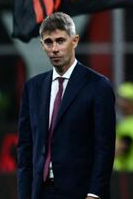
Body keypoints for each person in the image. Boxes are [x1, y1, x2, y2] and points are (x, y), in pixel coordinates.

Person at [16, 12, 116, 199]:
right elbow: (25, 149)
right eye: (48, 42)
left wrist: (95, 193)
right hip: (40, 192)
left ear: (75, 41)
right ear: (42, 45)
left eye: (60, 41)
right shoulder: (33, 88)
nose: (54, 48)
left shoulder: (97, 86)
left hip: (81, 191)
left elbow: (105, 147)